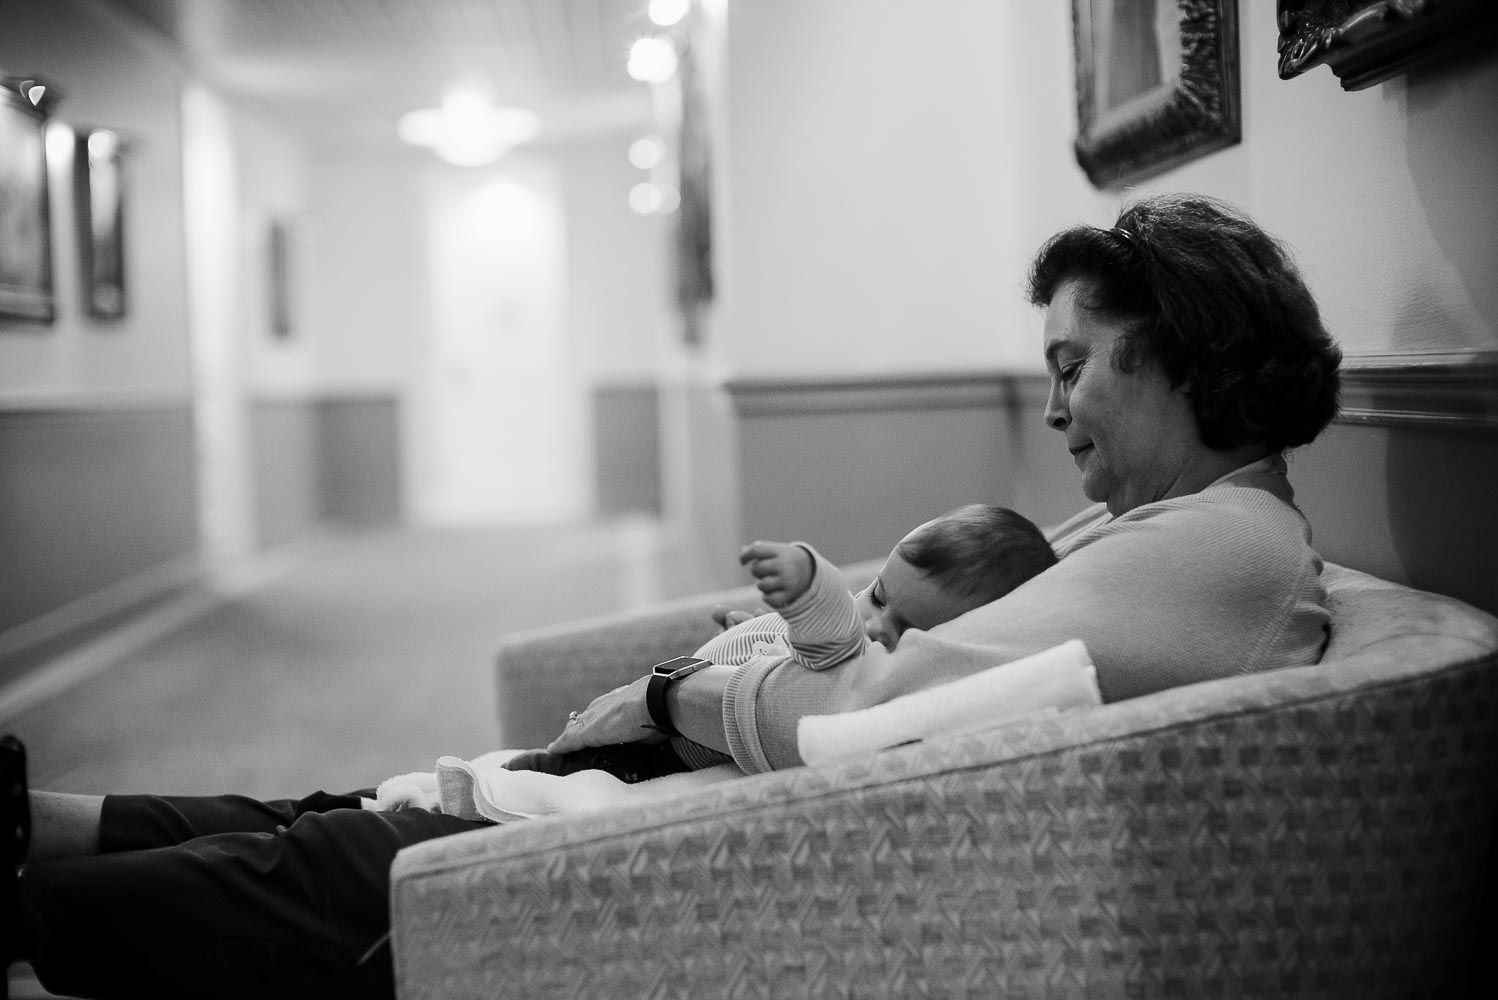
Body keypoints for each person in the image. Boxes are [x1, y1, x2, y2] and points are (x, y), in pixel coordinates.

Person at [3, 193, 1342, 999]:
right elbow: (881, 637)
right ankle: (31, 824)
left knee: (329, 861)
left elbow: (875, 708)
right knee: (337, 815)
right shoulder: (1155, 525)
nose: (1052, 408)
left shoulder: (1220, 547)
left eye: (1076, 365)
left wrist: (686, 690)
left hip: (724, 850)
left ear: (1183, 356)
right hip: (701, 807)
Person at [502, 503, 1058, 781]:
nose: (875, 627)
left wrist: (808, 578)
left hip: (663, 755)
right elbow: (793, 655)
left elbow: (831, 625)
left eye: (908, 631)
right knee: (542, 762)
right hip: (673, 713)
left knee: (552, 774)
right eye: (880, 598)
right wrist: (747, 640)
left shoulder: (854, 652)